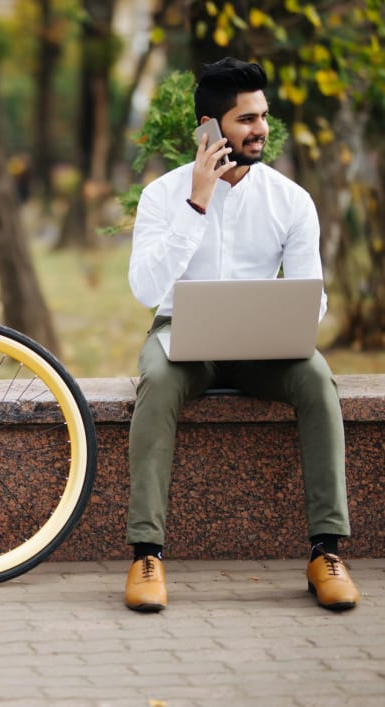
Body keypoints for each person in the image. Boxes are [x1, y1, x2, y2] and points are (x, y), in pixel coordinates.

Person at [123, 57, 359, 613]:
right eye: (246, 119)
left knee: (319, 381)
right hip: (182, 334)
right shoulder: (163, 195)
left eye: (263, 116)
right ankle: (146, 554)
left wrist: (286, 319)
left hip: (263, 340)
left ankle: (326, 551)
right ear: (208, 128)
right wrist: (196, 204)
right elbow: (144, 289)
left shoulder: (291, 200)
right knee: (155, 383)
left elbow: (312, 293)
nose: (261, 129)